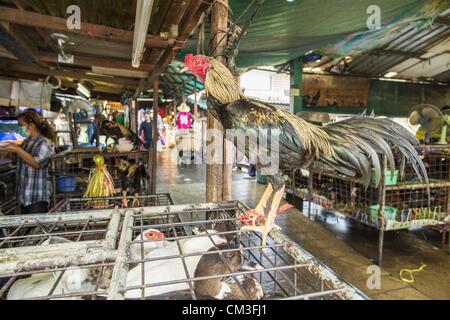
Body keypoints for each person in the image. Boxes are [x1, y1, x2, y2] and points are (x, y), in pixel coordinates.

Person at [0, 109, 55, 214]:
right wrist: (7, 152)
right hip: (23, 195)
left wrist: (16, 149)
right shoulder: (26, 142)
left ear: (31, 126)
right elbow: (21, 159)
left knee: (36, 228)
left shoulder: (44, 142)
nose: (19, 128)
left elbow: (37, 163)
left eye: (21, 125)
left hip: (36, 196)